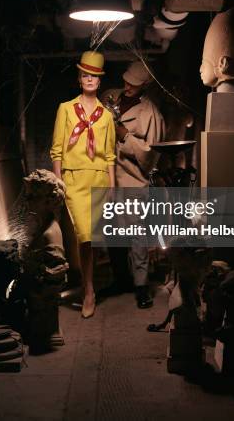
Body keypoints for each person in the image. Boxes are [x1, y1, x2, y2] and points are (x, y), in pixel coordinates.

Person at [50, 51, 116, 318]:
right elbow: (56, 150)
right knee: (84, 236)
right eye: (85, 75)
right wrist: (58, 180)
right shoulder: (65, 109)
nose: (90, 79)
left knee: (92, 238)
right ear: (79, 79)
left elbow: (110, 154)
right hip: (73, 179)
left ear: (99, 82)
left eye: (95, 76)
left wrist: (111, 184)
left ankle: (89, 287)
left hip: (98, 178)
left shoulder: (107, 116)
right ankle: (88, 289)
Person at [102, 60, 165, 308]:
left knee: (136, 235)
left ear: (145, 85)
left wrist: (125, 136)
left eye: (134, 84)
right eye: (127, 80)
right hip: (107, 178)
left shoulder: (151, 114)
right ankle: (121, 280)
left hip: (132, 181)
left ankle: (141, 286)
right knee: (112, 232)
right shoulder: (111, 98)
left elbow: (151, 156)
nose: (127, 85)